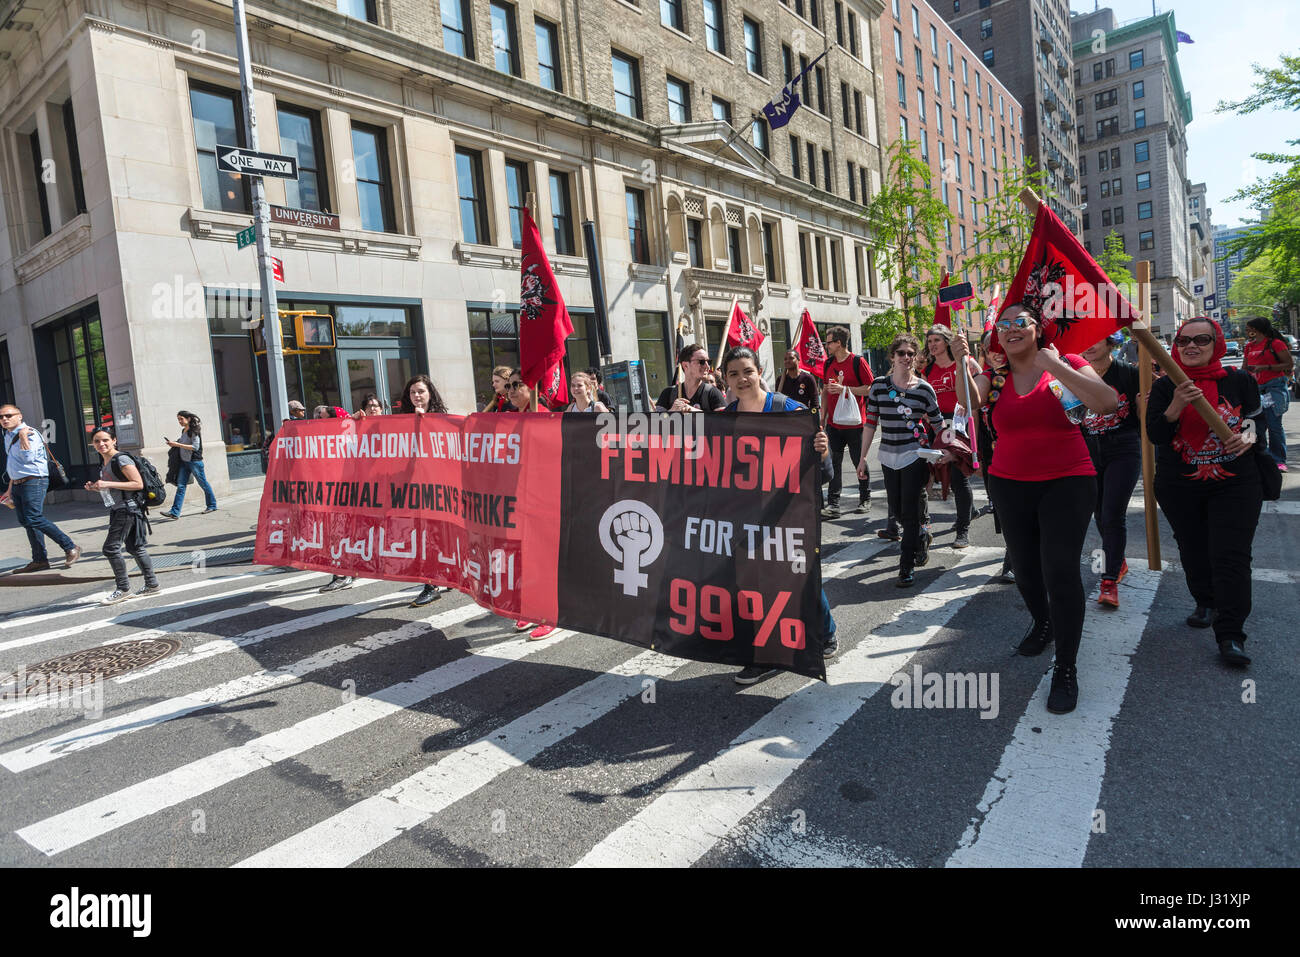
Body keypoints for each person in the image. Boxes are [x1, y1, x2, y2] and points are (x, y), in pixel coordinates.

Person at [969, 303, 1117, 715]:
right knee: (1025, 570)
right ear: (997, 334)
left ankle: (1065, 668)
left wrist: (1055, 365)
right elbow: (966, 404)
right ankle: (1043, 622)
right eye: (1005, 324)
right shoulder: (993, 375)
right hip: (1009, 482)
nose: (1012, 329)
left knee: (1060, 571)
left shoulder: (1065, 361)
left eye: (1021, 322)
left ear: (1038, 328)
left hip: (1067, 480)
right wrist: (966, 363)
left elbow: (1106, 402)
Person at [717, 346, 837, 684]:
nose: (741, 379)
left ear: (759, 372)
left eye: (747, 371)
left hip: (786, 511)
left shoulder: (789, 410)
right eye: (733, 374)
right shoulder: (724, 418)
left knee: (795, 575)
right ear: (726, 380)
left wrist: (822, 450)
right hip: (744, 513)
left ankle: (825, 631)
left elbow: (824, 472)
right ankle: (764, 652)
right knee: (751, 581)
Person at [1147, 318, 1263, 667]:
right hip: (1180, 486)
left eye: (1201, 339)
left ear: (1218, 344)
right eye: (1183, 341)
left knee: (1231, 557)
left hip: (1235, 485)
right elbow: (1155, 435)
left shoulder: (1240, 381)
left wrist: (1249, 436)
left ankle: (1231, 635)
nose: (1191, 346)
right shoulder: (1166, 386)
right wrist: (1175, 406)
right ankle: (1206, 600)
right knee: (1194, 548)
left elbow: (1258, 425)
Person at [857, 335, 943, 587]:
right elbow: (870, 423)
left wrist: (948, 448)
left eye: (910, 353)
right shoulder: (879, 386)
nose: (906, 357)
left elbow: (938, 424)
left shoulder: (924, 389)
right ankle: (921, 537)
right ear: (892, 357)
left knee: (909, 511)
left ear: (915, 357)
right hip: (887, 456)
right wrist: (862, 458)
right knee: (896, 509)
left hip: (914, 456)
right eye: (901, 353)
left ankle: (906, 566)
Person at [1080, 332, 1142, 608]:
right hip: (1088, 451)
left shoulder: (1130, 374)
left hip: (1123, 448)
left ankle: (1108, 579)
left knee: (1112, 513)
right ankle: (1118, 559)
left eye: (1095, 339)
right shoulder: (1075, 375)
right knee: (1099, 514)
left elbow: (1144, 419)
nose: (1088, 345)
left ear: (1110, 343)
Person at [921, 325, 984, 548]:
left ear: (947, 342)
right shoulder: (927, 370)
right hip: (937, 425)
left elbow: (980, 381)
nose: (932, 345)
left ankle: (962, 530)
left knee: (959, 477)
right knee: (938, 473)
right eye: (929, 341)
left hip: (959, 425)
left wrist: (968, 405)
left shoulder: (963, 362)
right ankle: (970, 511)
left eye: (937, 340)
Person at [0, 404, 81, 573]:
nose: (4, 419)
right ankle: (39, 560)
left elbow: (28, 458)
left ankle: (70, 546)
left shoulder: (29, 433)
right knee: (26, 521)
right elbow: (13, 464)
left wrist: (22, 438)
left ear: (19, 416)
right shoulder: (7, 435)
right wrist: (9, 488)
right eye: (1, 417)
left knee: (34, 517)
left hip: (34, 481)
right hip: (17, 483)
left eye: (8, 415)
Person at [85, 429, 160, 604]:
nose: (101, 444)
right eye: (97, 441)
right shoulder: (106, 462)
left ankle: (123, 588)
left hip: (126, 509)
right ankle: (152, 584)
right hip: (122, 508)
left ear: (114, 440)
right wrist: (97, 487)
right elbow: (116, 487)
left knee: (110, 548)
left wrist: (107, 483)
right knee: (135, 547)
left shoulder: (121, 459)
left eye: (105, 440)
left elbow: (137, 484)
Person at [399, 373, 453, 607]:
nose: (417, 396)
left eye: (421, 391)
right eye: (412, 392)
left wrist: (426, 423)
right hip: (413, 485)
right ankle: (431, 583)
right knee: (423, 535)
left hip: (437, 486)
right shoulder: (401, 420)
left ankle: (438, 579)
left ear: (430, 393)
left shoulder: (441, 418)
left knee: (437, 535)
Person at [973, 329, 1014, 583]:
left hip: (1023, 452)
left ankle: (1014, 558)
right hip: (991, 452)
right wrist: (975, 450)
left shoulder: (1025, 373)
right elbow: (973, 406)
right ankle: (1016, 551)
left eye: (999, 346)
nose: (995, 352)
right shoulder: (986, 377)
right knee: (1002, 505)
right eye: (990, 348)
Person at [821, 325, 874, 518]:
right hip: (834, 424)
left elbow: (869, 388)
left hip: (855, 422)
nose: (826, 346)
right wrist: (823, 417)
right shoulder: (828, 364)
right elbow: (825, 391)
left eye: (829, 342)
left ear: (839, 343)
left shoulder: (858, 362)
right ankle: (833, 504)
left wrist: (845, 389)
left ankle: (865, 498)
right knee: (834, 463)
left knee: (858, 461)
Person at [1244, 316, 1293, 471]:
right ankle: (1259, 458)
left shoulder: (1276, 344)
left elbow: (1289, 364)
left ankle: (1278, 460)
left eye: (1249, 329)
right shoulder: (1249, 346)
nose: (1247, 331)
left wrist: (1265, 367)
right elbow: (1245, 367)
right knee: (1253, 426)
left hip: (1274, 389)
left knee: (1274, 425)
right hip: (1255, 389)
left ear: (1257, 329)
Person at [159, 411, 217, 520]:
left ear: (188, 418)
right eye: (178, 419)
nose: (180, 421)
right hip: (184, 462)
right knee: (181, 486)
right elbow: (183, 443)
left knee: (203, 483)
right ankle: (175, 512)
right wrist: (174, 443)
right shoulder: (183, 430)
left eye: (181, 419)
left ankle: (212, 505)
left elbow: (195, 447)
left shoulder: (194, 431)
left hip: (194, 462)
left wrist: (177, 444)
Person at [655, 344, 727, 412]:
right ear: (685, 365)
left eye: (709, 362)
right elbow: (655, 423)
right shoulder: (668, 394)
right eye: (701, 362)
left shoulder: (713, 393)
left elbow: (722, 421)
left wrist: (694, 411)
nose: (707, 367)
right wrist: (671, 412)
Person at [777, 349, 820, 416]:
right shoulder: (780, 380)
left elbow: (815, 403)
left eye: (791, 358)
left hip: (803, 417)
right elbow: (778, 401)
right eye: (785, 359)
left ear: (798, 360)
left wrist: (814, 418)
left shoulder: (808, 378)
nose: (787, 361)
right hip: (786, 418)